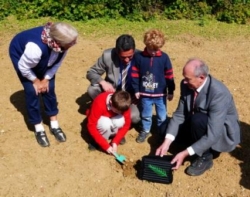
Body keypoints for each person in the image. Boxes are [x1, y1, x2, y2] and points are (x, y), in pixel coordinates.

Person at [156, 58, 241, 176]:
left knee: (198, 120)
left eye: (188, 79)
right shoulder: (186, 85)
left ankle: (206, 156)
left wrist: (185, 153)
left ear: (201, 77)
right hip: (197, 123)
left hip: (219, 132)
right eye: (184, 77)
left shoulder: (219, 93)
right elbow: (180, 114)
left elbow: (213, 133)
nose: (184, 81)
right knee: (164, 129)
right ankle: (194, 145)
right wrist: (167, 142)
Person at [9, 22, 78, 147]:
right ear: (58, 41)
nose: (73, 45)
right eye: (70, 43)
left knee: (49, 88)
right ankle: (38, 127)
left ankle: (54, 124)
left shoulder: (63, 46)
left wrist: (45, 79)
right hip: (22, 57)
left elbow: (56, 64)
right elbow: (23, 67)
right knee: (32, 91)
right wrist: (35, 81)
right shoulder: (35, 49)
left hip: (42, 56)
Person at [131, 29, 175, 143]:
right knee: (146, 114)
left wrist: (171, 90)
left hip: (160, 94)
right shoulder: (139, 57)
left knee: (162, 115)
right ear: (146, 45)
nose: (154, 52)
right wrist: (136, 89)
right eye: (151, 49)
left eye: (157, 49)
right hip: (145, 94)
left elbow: (169, 75)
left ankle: (162, 131)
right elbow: (134, 74)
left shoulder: (164, 58)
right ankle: (145, 130)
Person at [86, 34, 140, 126]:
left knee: (134, 117)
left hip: (131, 97)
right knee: (92, 89)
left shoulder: (141, 57)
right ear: (117, 52)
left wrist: (140, 93)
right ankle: (103, 110)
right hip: (112, 93)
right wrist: (103, 82)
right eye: (123, 57)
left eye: (130, 56)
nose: (127, 60)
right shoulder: (107, 55)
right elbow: (91, 72)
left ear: (134, 51)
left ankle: (117, 119)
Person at [86, 90, 131, 155]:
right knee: (105, 123)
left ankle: (115, 135)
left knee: (121, 120)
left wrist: (116, 142)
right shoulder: (99, 102)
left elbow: (126, 125)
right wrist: (105, 146)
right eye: (117, 111)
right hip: (101, 120)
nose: (120, 113)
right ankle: (98, 139)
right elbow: (91, 125)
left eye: (121, 112)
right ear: (110, 102)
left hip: (112, 119)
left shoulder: (124, 105)